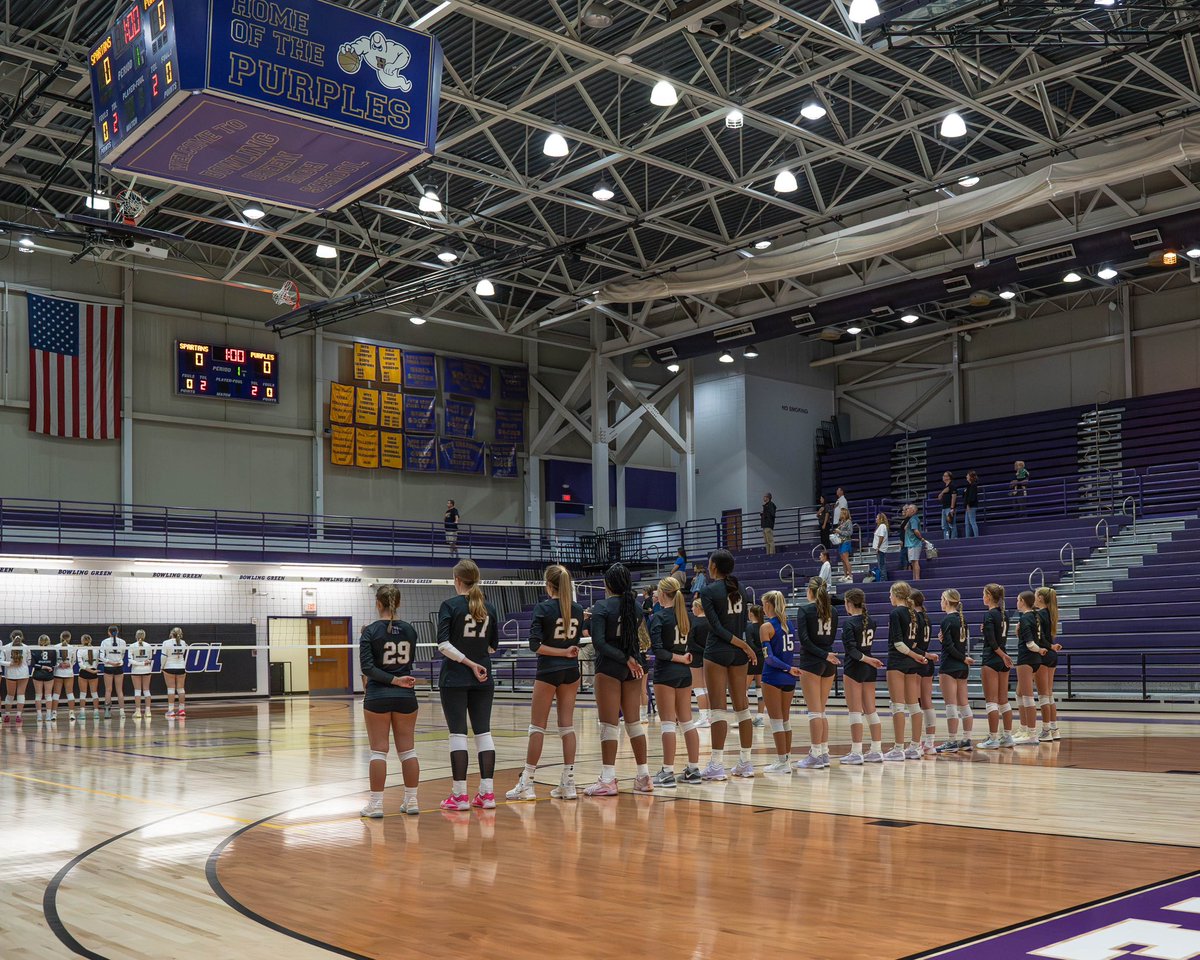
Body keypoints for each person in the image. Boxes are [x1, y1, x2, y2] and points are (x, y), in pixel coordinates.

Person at [507, 565, 584, 802]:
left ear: (549, 585)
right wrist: (566, 652)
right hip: (571, 672)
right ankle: (568, 784)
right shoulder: (577, 609)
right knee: (567, 726)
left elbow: (535, 645)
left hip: (549, 671)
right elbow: (574, 643)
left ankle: (527, 783)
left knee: (537, 727)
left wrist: (560, 653)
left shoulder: (543, 608)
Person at [437, 559, 500, 810]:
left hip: (455, 678)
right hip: (483, 677)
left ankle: (459, 796)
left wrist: (467, 661)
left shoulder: (450, 606)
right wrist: (476, 658)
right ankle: (487, 794)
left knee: (458, 734)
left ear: (457, 580)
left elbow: (443, 645)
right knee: (483, 733)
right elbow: (493, 647)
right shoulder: (489, 607)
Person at [584, 563, 652, 796]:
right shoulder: (636, 606)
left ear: (608, 584)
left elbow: (599, 643)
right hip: (633, 667)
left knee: (609, 725)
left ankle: (608, 779)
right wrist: (630, 659)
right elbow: (638, 640)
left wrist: (624, 659)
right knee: (634, 723)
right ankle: (644, 776)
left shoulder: (601, 606)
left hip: (610, 667)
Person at [359, 584, 421, 818]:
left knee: (378, 751)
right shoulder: (410, 630)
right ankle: (411, 800)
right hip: (406, 697)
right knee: (408, 751)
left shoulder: (370, 631)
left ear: (378, 603)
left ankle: (376, 805)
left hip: (378, 696)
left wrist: (392, 680)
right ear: (399, 603)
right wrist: (398, 679)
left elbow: (367, 668)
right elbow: (407, 662)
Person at [698, 549, 756, 781]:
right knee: (743, 708)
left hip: (717, 651)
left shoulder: (708, 590)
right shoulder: (741, 588)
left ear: (714, 566)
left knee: (718, 709)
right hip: (739, 653)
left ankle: (716, 764)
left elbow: (716, 627)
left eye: (709, 563)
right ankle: (746, 762)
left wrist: (742, 644)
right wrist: (743, 645)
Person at [648, 576, 701, 788]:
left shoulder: (659, 617)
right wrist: (684, 658)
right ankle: (693, 770)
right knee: (687, 722)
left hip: (666, 673)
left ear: (662, 594)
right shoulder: (686, 616)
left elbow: (659, 651)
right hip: (684, 674)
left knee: (668, 723)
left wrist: (679, 657)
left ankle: (667, 772)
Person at [794, 577, 840, 769]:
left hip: (812, 661)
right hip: (828, 661)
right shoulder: (833, 611)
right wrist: (826, 655)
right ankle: (824, 752)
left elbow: (804, 641)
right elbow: (830, 638)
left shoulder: (804, 610)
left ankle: (815, 754)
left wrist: (823, 655)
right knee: (821, 710)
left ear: (810, 592)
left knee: (814, 712)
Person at [838, 589, 884, 764]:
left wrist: (867, 659)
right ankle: (876, 750)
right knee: (871, 709)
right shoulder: (870, 621)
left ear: (849, 603)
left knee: (855, 711)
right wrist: (869, 660)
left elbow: (851, 650)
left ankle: (856, 752)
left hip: (855, 667)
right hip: (869, 668)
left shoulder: (849, 623)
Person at [884, 582, 927, 761]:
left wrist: (915, 655)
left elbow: (898, 643)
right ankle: (915, 747)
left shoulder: (896, 613)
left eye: (890, 594)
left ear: (896, 595)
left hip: (898, 661)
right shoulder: (915, 613)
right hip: (912, 663)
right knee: (914, 705)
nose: (889, 597)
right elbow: (915, 643)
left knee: (898, 706)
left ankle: (898, 749)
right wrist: (917, 656)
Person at [759, 590, 799, 773]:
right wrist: (789, 669)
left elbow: (769, 658)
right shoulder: (788, 624)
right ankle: (786, 759)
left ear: (768, 605)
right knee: (785, 719)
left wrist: (787, 668)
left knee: (776, 721)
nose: (762, 609)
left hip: (773, 677)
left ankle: (782, 762)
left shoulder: (766, 627)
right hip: (789, 679)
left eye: (763, 605)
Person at [935, 589, 975, 754]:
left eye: (941, 599)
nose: (940, 602)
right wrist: (963, 659)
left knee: (951, 705)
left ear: (946, 601)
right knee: (964, 704)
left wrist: (962, 658)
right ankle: (966, 740)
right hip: (962, 667)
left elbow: (949, 647)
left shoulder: (947, 620)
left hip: (950, 665)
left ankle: (952, 741)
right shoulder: (962, 619)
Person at [977, 583, 1015, 750]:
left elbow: (993, 643)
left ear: (989, 596)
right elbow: (997, 636)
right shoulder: (1004, 614)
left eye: (984, 594)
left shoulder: (989, 614)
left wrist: (1002, 655)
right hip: (1002, 658)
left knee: (991, 701)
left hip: (993, 658)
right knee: (1003, 701)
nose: (982, 597)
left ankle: (993, 738)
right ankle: (1007, 736)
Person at [1014, 590, 1048, 746]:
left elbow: (1030, 643)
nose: (1017, 603)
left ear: (1022, 601)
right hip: (1034, 659)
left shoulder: (1026, 618)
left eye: (1018, 600)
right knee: (1019, 693)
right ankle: (1024, 729)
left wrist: (1039, 649)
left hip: (1026, 658)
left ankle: (1032, 733)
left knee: (1027, 696)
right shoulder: (1035, 616)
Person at [910, 591, 939, 756]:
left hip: (918, 660)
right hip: (927, 661)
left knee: (915, 703)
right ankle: (930, 743)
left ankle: (917, 743)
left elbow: (913, 645)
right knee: (927, 702)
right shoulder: (927, 617)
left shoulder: (915, 618)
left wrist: (925, 654)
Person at [1035, 587, 1062, 742]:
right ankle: (1054, 729)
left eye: (1035, 596)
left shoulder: (1039, 614)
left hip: (1044, 655)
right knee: (1049, 694)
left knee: (1043, 695)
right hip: (1052, 655)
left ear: (1040, 598)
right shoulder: (1050, 613)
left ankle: (1046, 730)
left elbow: (1040, 639)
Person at [688, 597, 712, 729]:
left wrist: (702, 651)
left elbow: (690, 642)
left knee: (698, 688)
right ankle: (709, 717)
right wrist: (706, 651)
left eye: (693, 606)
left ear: (698, 607)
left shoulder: (694, 622)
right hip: (709, 657)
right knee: (706, 688)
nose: (692, 609)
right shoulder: (711, 621)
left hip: (696, 657)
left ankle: (703, 718)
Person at [2, 631, 30, 725]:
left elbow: (1, 661)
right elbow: (29, 662)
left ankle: (7, 715)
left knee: (10, 695)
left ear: (11, 637)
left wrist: (10, 663)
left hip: (11, 673)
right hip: (23, 673)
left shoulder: (5, 647)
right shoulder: (26, 647)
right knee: (21, 694)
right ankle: (18, 715)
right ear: (22, 637)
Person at [99, 625, 127, 719]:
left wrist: (110, 662)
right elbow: (123, 655)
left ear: (108, 632)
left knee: (108, 690)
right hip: (119, 666)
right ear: (117, 632)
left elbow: (101, 657)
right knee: (119, 690)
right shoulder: (123, 642)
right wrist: (117, 661)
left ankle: (107, 712)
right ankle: (122, 713)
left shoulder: (104, 642)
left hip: (108, 667)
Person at [160, 628, 188, 718]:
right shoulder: (183, 642)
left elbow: (163, 657)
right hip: (181, 667)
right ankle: (182, 710)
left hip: (169, 667)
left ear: (171, 633)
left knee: (171, 689)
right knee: (181, 689)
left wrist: (162, 666)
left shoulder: (166, 642)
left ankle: (171, 710)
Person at [746, 605, 766, 727]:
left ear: (752, 614)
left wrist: (755, 654)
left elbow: (750, 644)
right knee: (760, 689)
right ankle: (760, 717)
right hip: (763, 660)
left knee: (744, 690)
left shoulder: (750, 627)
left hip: (753, 660)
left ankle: (745, 717)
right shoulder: (764, 626)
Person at [128, 630, 154, 720]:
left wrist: (140, 663)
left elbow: (130, 660)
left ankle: (138, 711)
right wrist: (143, 663)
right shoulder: (148, 646)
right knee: (146, 690)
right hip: (146, 669)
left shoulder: (132, 646)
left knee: (137, 690)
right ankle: (148, 711)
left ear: (136, 636)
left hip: (136, 670)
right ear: (144, 636)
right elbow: (150, 659)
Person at [30, 634, 56, 723]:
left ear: (39, 641)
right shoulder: (52, 650)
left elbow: (33, 664)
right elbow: (54, 663)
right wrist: (46, 666)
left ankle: (39, 716)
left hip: (38, 673)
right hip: (49, 674)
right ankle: (48, 715)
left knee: (38, 695)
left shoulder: (35, 649)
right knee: (48, 695)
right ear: (49, 641)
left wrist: (42, 666)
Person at [75, 634, 101, 720]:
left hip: (84, 672)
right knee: (94, 693)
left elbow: (81, 665)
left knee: (83, 694)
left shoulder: (80, 650)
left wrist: (89, 670)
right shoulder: (96, 649)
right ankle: (96, 713)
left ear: (82, 641)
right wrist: (92, 670)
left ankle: (82, 714)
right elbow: (97, 662)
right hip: (93, 671)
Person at [52, 631, 76, 722]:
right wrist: (69, 664)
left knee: (56, 694)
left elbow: (53, 660)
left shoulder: (55, 647)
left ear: (60, 637)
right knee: (70, 693)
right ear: (69, 638)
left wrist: (59, 665)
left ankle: (54, 714)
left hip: (58, 672)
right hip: (69, 673)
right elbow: (74, 661)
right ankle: (72, 713)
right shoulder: (72, 648)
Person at [900, 504, 925, 581]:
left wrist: (921, 538)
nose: (906, 510)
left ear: (913, 511)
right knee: (913, 562)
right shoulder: (910, 519)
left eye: (908, 509)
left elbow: (916, 531)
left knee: (915, 561)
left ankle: (917, 579)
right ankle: (914, 578)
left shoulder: (914, 519)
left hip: (914, 543)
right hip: (911, 543)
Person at [833, 508, 854, 583]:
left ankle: (850, 575)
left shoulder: (848, 522)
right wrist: (837, 532)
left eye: (841, 513)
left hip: (846, 541)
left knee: (846, 559)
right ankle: (845, 575)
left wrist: (840, 532)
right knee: (843, 560)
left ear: (844, 513)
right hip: (841, 542)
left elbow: (850, 532)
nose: (840, 514)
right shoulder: (841, 522)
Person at [870, 512, 889, 583]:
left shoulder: (882, 526)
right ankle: (883, 579)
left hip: (881, 549)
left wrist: (878, 547)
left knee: (881, 565)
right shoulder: (881, 526)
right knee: (881, 564)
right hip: (880, 549)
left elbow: (881, 537)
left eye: (877, 517)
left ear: (881, 519)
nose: (876, 519)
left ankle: (883, 580)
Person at [961, 470, 981, 538]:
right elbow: (964, 496)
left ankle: (976, 537)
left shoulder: (973, 485)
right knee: (967, 523)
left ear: (971, 477)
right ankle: (967, 538)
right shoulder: (968, 486)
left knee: (972, 522)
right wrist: (964, 492)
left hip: (971, 506)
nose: (966, 476)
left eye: (967, 475)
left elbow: (972, 497)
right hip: (968, 506)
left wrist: (968, 504)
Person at [939, 472, 957, 540]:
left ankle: (953, 539)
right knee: (944, 526)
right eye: (943, 476)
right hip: (944, 508)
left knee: (951, 524)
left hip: (949, 508)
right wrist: (942, 493)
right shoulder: (945, 487)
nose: (943, 477)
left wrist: (952, 508)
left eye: (945, 476)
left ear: (949, 477)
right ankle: (946, 539)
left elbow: (954, 497)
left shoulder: (952, 486)